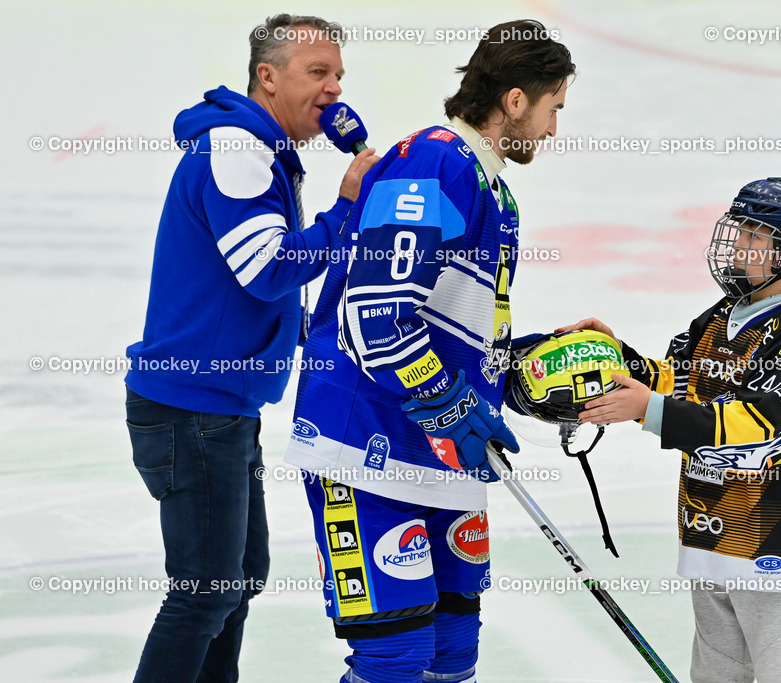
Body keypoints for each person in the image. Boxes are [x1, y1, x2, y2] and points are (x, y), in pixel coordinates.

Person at [282, 20, 575, 683]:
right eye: (553, 107)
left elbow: (457, 329)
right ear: (515, 100)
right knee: (396, 661)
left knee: (451, 655)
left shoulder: (493, 188)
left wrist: (536, 362)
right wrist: (444, 398)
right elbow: (379, 312)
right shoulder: (437, 159)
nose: (554, 129)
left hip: (440, 454)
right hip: (367, 446)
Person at [124, 14, 379, 682]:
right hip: (194, 412)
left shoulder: (257, 148)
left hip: (217, 408)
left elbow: (245, 289)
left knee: (237, 577)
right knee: (207, 589)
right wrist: (346, 211)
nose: (334, 89)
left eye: (339, 75)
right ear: (268, 76)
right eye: (317, 73)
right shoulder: (236, 149)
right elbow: (266, 266)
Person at [563, 178, 781, 683]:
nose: (739, 246)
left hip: (774, 542)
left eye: (758, 237)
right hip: (705, 531)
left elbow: (756, 422)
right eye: (740, 232)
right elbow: (681, 378)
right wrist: (616, 355)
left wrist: (648, 410)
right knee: (713, 674)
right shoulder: (719, 317)